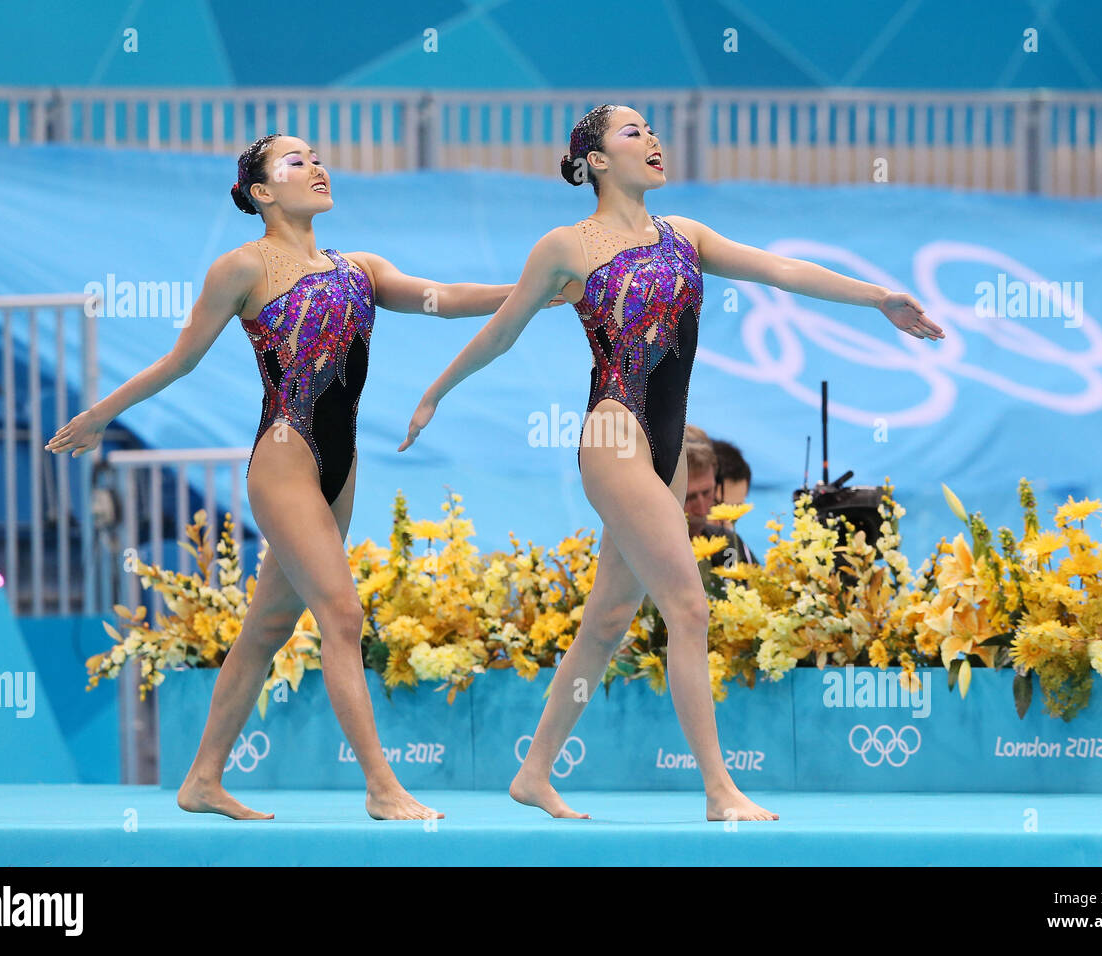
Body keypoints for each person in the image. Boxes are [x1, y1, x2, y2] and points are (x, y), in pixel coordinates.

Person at [398, 104, 944, 822]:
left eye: (653, 129)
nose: (652, 139)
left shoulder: (685, 236)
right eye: (633, 132)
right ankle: (720, 790)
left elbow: (779, 269)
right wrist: (435, 393)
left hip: (667, 449)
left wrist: (877, 297)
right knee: (688, 606)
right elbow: (502, 333)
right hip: (614, 437)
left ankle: (533, 773)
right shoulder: (566, 245)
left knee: (608, 620)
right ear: (594, 160)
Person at [46, 133, 560, 821]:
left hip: (340, 465)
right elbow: (178, 361)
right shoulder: (243, 268)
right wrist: (101, 415)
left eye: (317, 155)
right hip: (286, 458)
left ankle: (202, 780)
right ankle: (381, 786)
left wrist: (532, 290)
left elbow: (444, 297)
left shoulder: (362, 269)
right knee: (342, 616)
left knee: (266, 628)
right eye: (295, 161)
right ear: (261, 192)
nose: (316, 165)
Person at [683, 439, 755, 570]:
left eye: (707, 493)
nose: (702, 509)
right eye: (690, 497)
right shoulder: (647, 550)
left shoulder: (730, 544)